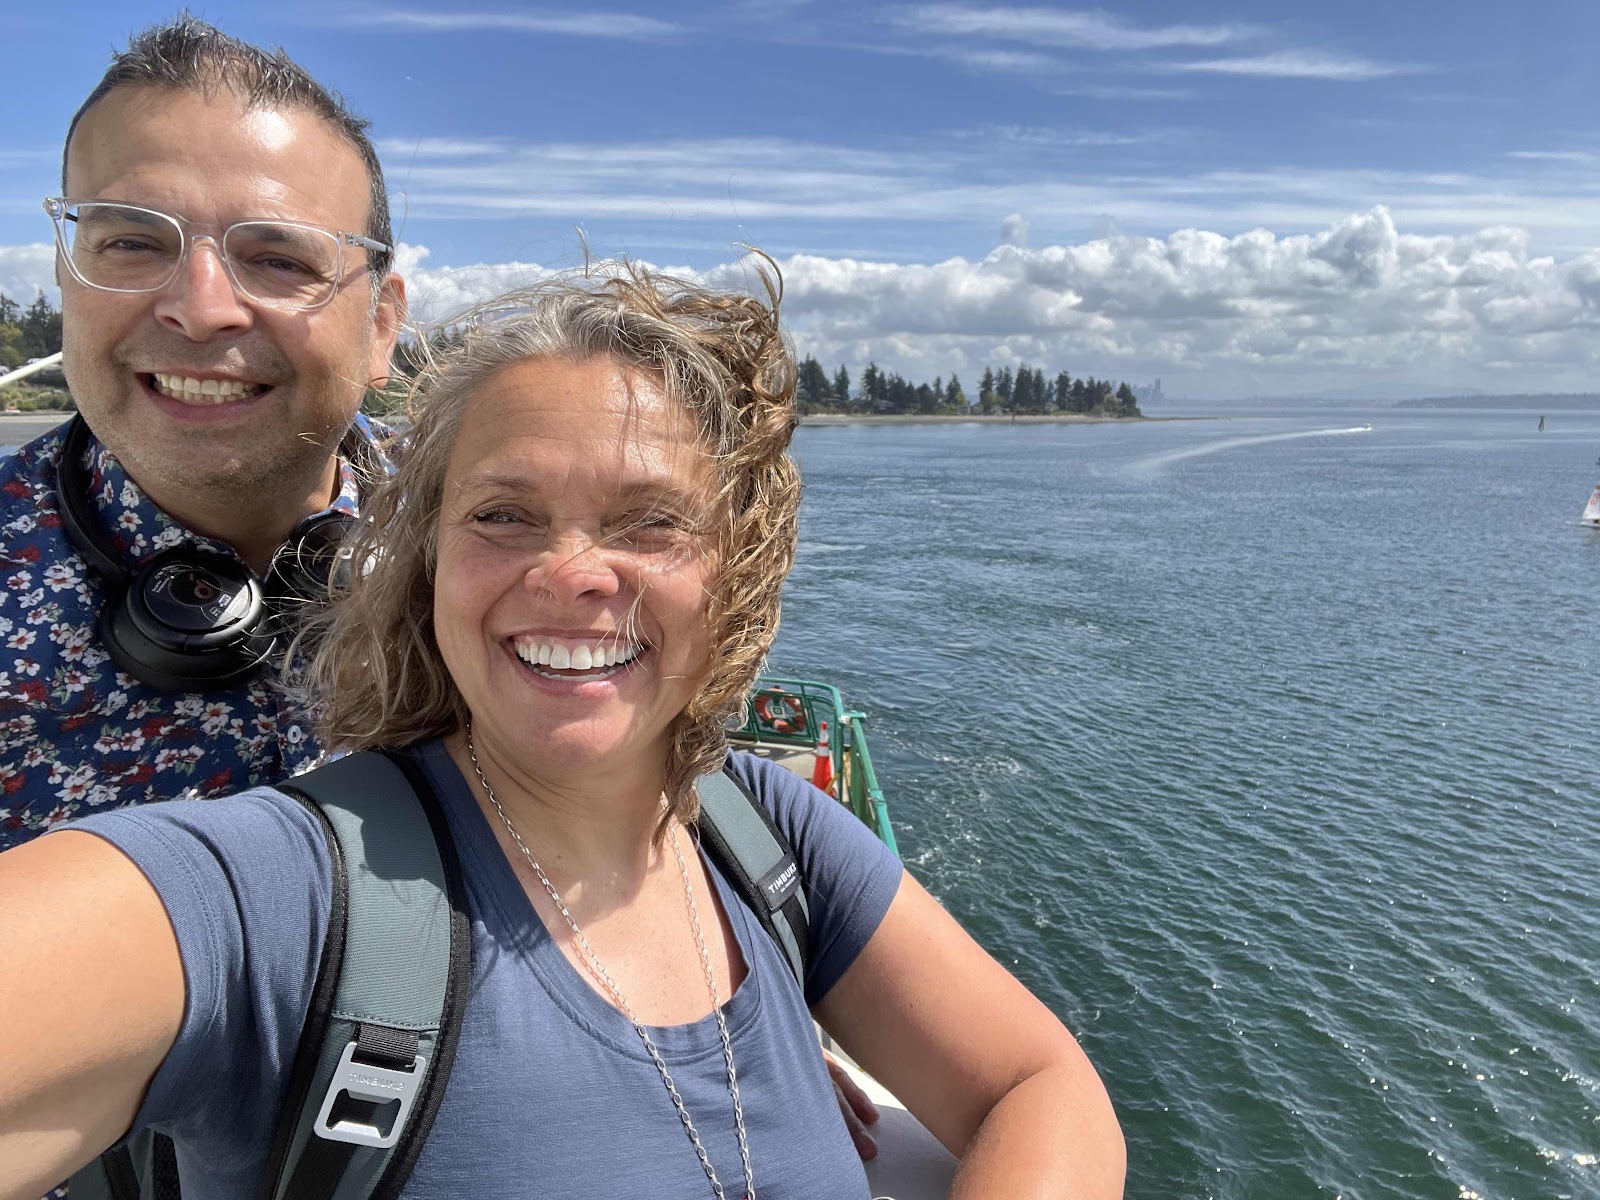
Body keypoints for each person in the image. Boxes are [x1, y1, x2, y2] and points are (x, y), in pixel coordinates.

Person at [0, 264, 1125, 1198]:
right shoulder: (285, 898)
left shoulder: (763, 832)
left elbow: (1039, 1084)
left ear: (734, 575)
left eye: (651, 521)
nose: (573, 573)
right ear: (428, 563)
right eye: (504, 514)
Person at [0, 16, 405, 847]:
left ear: (380, 327)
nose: (201, 306)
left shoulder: (497, 553)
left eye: (280, 259)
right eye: (132, 242)